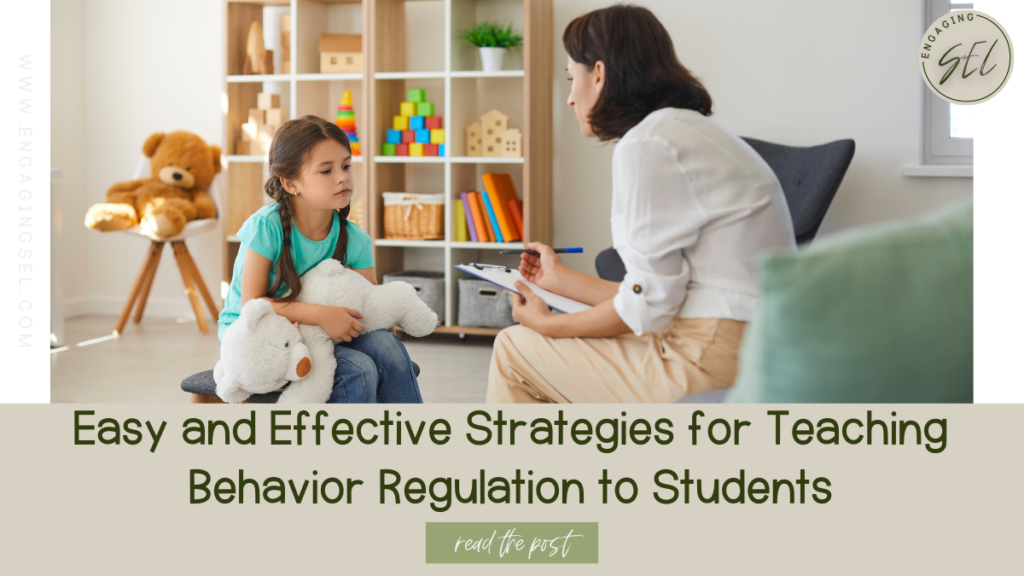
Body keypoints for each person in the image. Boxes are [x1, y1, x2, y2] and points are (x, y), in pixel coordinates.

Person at [487, 5, 796, 403]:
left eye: (571, 78)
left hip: (706, 355)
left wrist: (550, 325)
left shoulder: (648, 144)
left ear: (598, 74)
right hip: (749, 346)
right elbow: (657, 294)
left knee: (515, 348)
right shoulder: (684, 132)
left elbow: (648, 307)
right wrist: (560, 281)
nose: (568, 98)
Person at [217, 115, 422, 403]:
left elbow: (368, 305)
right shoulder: (266, 227)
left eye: (346, 165)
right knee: (359, 369)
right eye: (326, 171)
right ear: (290, 183)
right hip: (258, 333)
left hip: (319, 331)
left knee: (386, 346)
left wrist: (381, 323)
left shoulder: (355, 239)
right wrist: (321, 315)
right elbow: (252, 305)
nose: (342, 177)